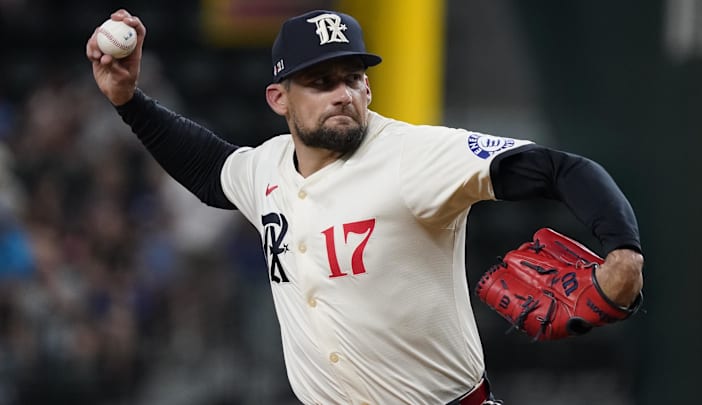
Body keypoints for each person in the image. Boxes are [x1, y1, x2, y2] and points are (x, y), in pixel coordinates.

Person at [86, 9, 644, 405]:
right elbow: (211, 170)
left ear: (369, 89)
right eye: (321, 81)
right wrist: (129, 101)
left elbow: (561, 168)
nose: (343, 93)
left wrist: (623, 253)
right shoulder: (267, 168)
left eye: (353, 77)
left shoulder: (414, 156)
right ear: (279, 98)